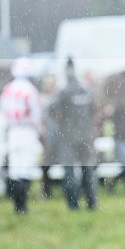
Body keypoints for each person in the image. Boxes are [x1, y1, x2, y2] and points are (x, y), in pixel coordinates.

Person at [48, 58, 97, 210]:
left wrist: (61, 121)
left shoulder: (63, 92)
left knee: (69, 172)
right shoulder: (86, 89)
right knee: (87, 170)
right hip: (85, 136)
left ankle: (73, 205)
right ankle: (91, 203)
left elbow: (49, 109)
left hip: (68, 137)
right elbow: (94, 110)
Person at [0, 57, 43, 214]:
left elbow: (3, 111)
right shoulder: (30, 90)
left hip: (13, 132)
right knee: (25, 170)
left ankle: (17, 205)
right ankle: (22, 206)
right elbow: (36, 114)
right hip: (27, 131)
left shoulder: (8, 89)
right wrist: (39, 130)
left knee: (15, 170)